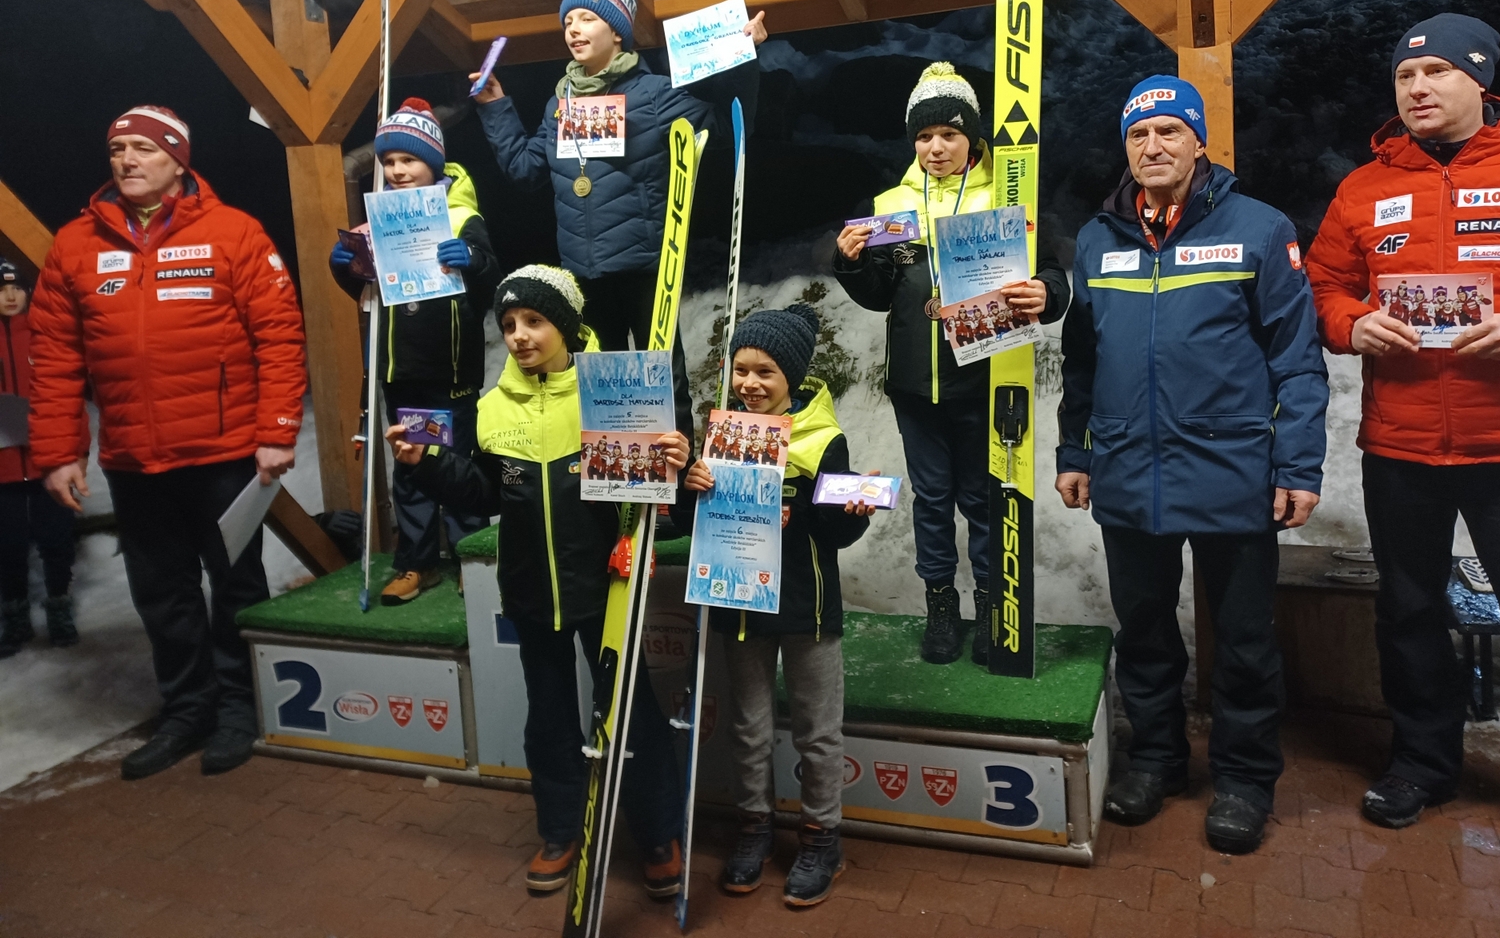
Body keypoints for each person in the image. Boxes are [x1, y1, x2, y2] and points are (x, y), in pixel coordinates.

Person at [1305, 14, 1500, 882]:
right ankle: (1422, 765)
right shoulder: (1365, 187)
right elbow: (1322, 285)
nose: (1418, 88)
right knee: (1407, 610)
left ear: (1481, 80)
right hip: (1401, 444)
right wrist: (1353, 325)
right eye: (1405, 77)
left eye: (1436, 72)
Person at [1055, 75, 1328, 854]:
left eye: (1169, 131)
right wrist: (1076, 451)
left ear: (1198, 141)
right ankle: (1158, 760)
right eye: (1138, 135)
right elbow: (1082, 361)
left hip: (1230, 470)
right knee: (1144, 630)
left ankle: (1244, 779)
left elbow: (1296, 358)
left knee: (1242, 639)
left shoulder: (1258, 229)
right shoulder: (1099, 239)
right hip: (1127, 470)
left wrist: (1298, 465)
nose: (1153, 146)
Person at [386, 265, 689, 899]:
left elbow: (653, 497)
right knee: (548, 720)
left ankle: (658, 834)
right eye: (509, 325)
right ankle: (559, 832)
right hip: (530, 590)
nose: (520, 335)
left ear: (567, 327)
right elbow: (485, 492)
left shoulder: (612, 392)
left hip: (606, 586)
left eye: (535, 321)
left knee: (630, 712)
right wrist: (428, 461)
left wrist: (671, 465)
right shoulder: (493, 406)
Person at [28, 105, 306, 780]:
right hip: (134, 457)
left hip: (225, 455)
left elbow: (279, 336)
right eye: (117, 148)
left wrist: (276, 432)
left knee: (237, 586)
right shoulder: (75, 245)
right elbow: (55, 358)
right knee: (162, 594)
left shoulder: (233, 232)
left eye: (144, 148)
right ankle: (187, 710)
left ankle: (241, 708)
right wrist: (59, 452)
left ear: (178, 160)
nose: (127, 160)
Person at [833, 62, 1069, 665]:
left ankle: (993, 607)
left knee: (985, 500)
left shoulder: (1007, 194)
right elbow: (879, 295)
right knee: (932, 500)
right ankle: (941, 607)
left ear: (973, 138)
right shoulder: (891, 206)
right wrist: (852, 263)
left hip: (986, 381)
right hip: (915, 387)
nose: (935, 147)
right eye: (923, 136)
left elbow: (1050, 275)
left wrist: (1047, 292)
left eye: (949, 134)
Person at [471, 0, 765, 445]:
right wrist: (496, 107)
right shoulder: (559, 105)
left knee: (661, 383)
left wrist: (743, 60)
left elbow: (730, 129)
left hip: (646, 269)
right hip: (583, 275)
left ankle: (675, 481)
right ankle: (611, 484)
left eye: (587, 18)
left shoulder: (655, 94)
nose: (573, 28)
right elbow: (524, 170)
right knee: (599, 393)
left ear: (617, 32)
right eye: (568, 21)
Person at [678, 303, 875, 907]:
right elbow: (696, 524)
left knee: (818, 732)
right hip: (741, 604)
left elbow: (837, 535)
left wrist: (846, 514)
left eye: (765, 372)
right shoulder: (722, 436)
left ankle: (821, 838)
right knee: (750, 728)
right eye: (741, 370)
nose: (750, 383)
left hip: (808, 609)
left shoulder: (823, 438)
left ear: (791, 375)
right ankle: (754, 829)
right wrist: (691, 488)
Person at [329, 98, 500, 605]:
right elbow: (369, 292)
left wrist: (471, 258)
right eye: (388, 161)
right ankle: (417, 562)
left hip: (449, 368)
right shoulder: (378, 222)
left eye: (409, 159)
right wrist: (346, 266)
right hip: (400, 369)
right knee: (410, 464)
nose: (397, 170)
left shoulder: (462, 215)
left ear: (434, 161)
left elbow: (491, 281)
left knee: (455, 461)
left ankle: (470, 557)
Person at [0, 259, 84, 655]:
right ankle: (15, 616)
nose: (11, 296)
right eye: (2, 289)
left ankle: (59, 610)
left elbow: (70, 396)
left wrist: (79, 450)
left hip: (48, 461)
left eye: (17, 288)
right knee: (7, 544)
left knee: (56, 539)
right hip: (3, 468)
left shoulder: (45, 335)